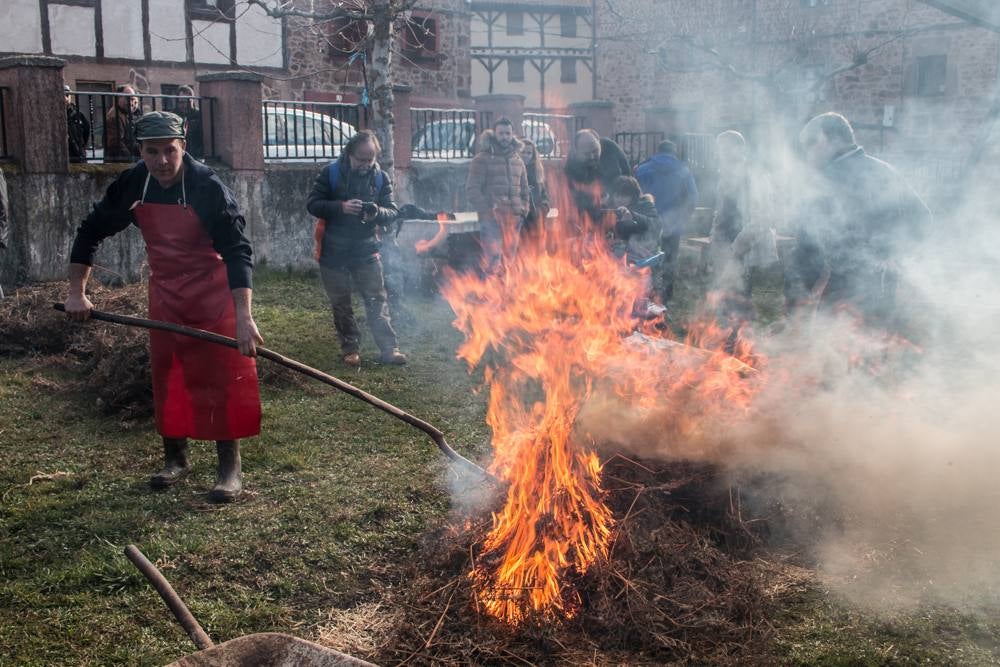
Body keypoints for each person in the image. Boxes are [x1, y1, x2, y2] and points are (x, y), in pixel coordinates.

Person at [65, 111, 262, 503]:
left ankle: (229, 469)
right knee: (169, 374)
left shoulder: (206, 185)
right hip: (166, 294)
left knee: (220, 376)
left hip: (213, 291)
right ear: (140, 151)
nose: (162, 161)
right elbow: (91, 230)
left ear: (182, 147)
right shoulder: (134, 182)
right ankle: (176, 459)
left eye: (169, 151)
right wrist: (76, 292)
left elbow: (238, 251)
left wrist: (244, 317)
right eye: (152, 152)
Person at [789, 112, 932, 327]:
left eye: (809, 145)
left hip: (839, 293)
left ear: (826, 139)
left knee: (834, 354)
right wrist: (893, 255)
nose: (807, 155)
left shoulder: (823, 181)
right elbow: (923, 220)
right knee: (872, 353)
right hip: (884, 289)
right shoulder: (886, 171)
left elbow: (807, 246)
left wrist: (799, 295)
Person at [306, 130, 406, 367]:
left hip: (366, 250)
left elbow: (392, 211)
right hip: (333, 250)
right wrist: (340, 207)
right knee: (341, 302)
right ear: (350, 153)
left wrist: (376, 212)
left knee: (376, 299)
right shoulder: (330, 173)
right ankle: (350, 349)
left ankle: (389, 349)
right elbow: (313, 204)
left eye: (370, 159)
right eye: (361, 159)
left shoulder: (380, 177)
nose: (366, 164)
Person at [708, 131, 778, 319]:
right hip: (724, 246)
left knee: (738, 298)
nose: (720, 153)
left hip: (742, 247)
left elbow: (764, 216)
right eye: (719, 148)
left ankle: (738, 340)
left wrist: (738, 247)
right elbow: (720, 212)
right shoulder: (724, 176)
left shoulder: (754, 176)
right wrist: (715, 239)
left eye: (725, 148)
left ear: (740, 149)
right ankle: (727, 339)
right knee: (724, 297)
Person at [634, 140, 698, 303]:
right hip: (674, 225)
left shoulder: (642, 169)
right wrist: (684, 218)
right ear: (674, 152)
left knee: (650, 258)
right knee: (670, 259)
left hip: (648, 224)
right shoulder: (684, 171)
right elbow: (692, 198)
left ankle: (650, 293)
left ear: (658, 151)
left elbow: (634, 195)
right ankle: (667, 295)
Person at [465, 118, 529, 269]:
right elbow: (472, 190)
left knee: (509, 261)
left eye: (508, 133)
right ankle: (489, 292)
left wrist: (523, 210)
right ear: (494, 134)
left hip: (514, 219)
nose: (505, 137)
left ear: (513, 134)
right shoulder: (482, 159)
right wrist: (488, 210)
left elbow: (525, 190)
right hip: (491, 220)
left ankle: (506, 292)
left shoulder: (517, 160)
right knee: (493, 261)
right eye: (501, 133)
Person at [564, 129, 631, 223]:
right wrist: (595, 201)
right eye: (586, 154)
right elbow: (573, 196)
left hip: (620, 208)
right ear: (577, 152)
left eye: (595, 151)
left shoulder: (611, 147)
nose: (592, 156)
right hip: (591, 214)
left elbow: (628, 176)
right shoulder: (571, 165)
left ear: (599, 143)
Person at [519, 138, 550, 237]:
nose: (526, 155)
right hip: (520, 218)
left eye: (529, 153)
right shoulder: (512, 171)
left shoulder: (538, 172)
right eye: (523, 152)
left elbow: (545, 195)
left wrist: (544, 208)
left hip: (537, 218)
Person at [104, 85, 140, 162]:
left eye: (133, 99)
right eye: (128, 98)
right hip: (120, 163)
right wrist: (131, 160)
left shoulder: (126, 113)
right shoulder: (114, 117)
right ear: (118, 98)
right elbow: (116, 144)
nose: (131, 103)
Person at [175, 85, 204, 160]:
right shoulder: (174, 115)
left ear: (192, 100)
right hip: (179, 155)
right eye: (181, 102)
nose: (184, 105)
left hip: (196, 156)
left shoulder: (199, 114)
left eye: (188, 101)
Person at [65, 84, 91, 163]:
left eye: (67, 95)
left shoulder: (78, 114)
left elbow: (87, 130)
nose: (65, 98)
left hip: (79, 157)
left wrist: (82, 147)